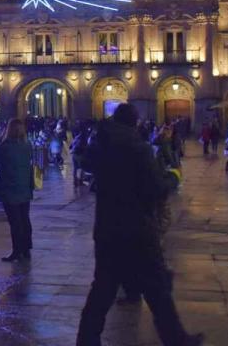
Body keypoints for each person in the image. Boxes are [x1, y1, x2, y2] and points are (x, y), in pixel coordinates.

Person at [76, 103, 203, 346]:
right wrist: (172, 176)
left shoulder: (102, 144)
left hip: (107, 228)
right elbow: (155, 188)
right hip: (137, 229)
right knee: (156, 289)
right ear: (134, 123)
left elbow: (85, 163)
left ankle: (86, 341)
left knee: (102, 289)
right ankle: (176, 339)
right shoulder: (139, 148)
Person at [0, 119, 34, 262]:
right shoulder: (27, 145)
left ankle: (17, 250)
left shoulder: (5, 146)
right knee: (24, 219)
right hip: (24, 187)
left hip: (10, 188)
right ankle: (26, 248)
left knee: (15, 221)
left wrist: (0, 141)